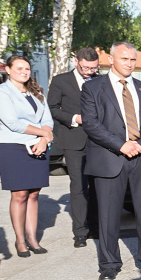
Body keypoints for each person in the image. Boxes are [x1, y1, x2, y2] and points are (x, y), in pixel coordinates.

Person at [80, 42, 141, 280]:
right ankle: (109, 264)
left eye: (133, 59)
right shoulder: (93, 88)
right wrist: (120, 144)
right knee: (108, 215)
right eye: (124, 59)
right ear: (111, 59)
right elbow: (91, 123)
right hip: (110, 157)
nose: (129, 64)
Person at [0, 56, 55, 257]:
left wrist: (44, 140)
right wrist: (44, 134)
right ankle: (20, 240)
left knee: (34, 194)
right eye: (19, 68)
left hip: (38, 145)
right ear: (8, 70)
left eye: (27, 68)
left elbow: (47, 120)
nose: (24, 72)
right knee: (19, 195)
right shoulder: (1, 92)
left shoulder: (37, 93)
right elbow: (13, 123)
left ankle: (33, 239)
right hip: (13, 147)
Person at [46, 47, 102, 247]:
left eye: (94, 68)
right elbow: (52, 108)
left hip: (99, 141)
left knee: (98, 186)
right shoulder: (61, 81)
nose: (89, 72)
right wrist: (74, 118)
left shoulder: (99, 80)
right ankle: (80, 231)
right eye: (86, 67)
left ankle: (97, 228)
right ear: (77, 62)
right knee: (78, 186)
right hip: (73, 140)